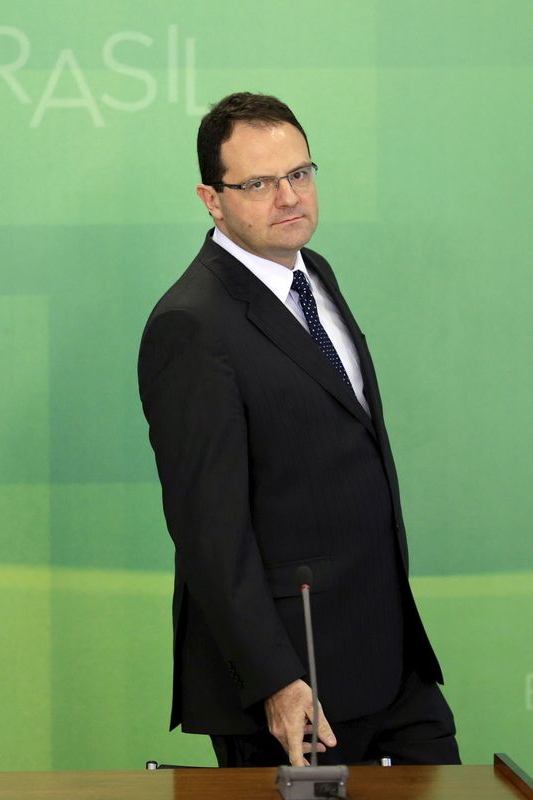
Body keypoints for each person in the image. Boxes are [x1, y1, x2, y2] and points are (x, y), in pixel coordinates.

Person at [137, 92, 459, 768]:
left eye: (300, 174)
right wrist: (277, 682)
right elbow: (208, 533)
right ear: (211, 198)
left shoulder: (313, 273)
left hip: (388, 658)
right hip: (293, 687)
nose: (288, 197)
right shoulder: (191, 326)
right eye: (257, 183)